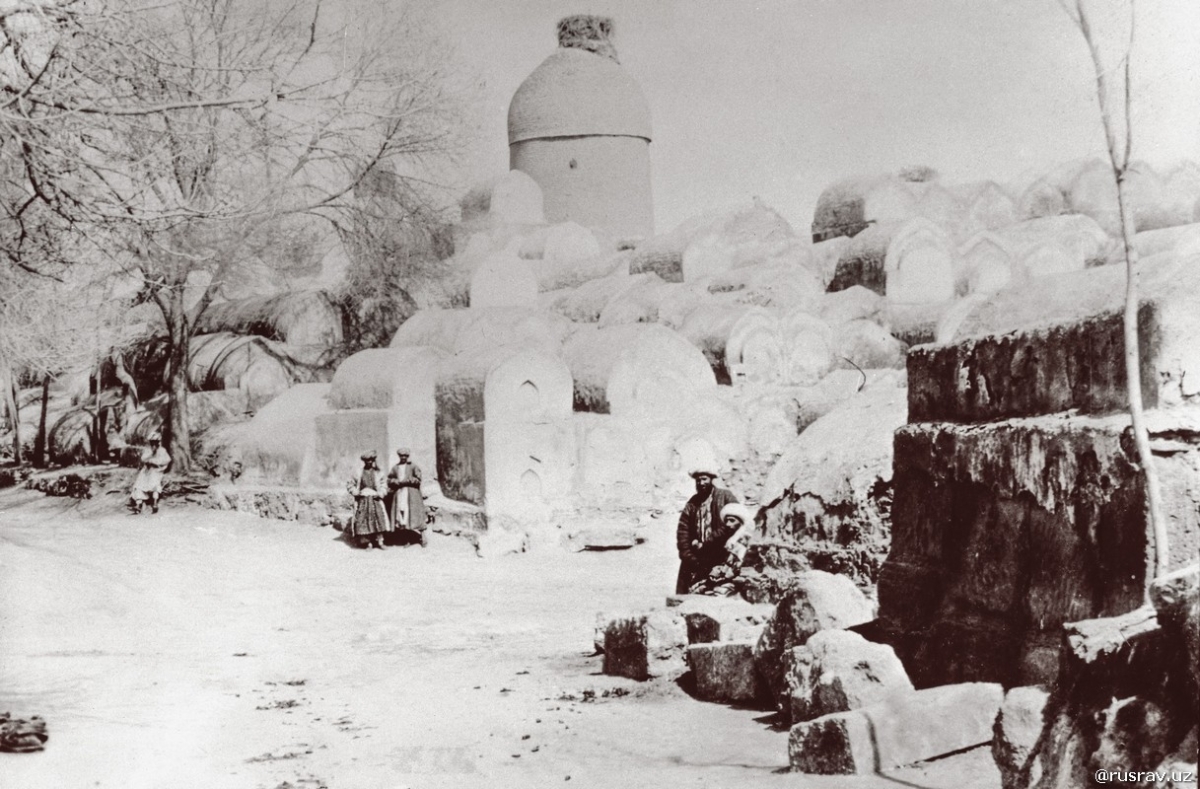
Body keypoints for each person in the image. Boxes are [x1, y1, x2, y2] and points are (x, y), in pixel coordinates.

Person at [675, 467, 740, 594]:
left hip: (720, 554)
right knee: (689, 593)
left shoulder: (725, 496)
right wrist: (688, 556)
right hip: (697, 557)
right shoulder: (692, 503)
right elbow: (683, 531)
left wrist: (709, 541)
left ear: (711, 479)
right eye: (698, 480)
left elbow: (735, 521)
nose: (701, 483)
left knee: (718, 591)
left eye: (704, 479)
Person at [687, 502, 757, 596]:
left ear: (740, 523)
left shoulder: (741, 541)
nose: (728, 524)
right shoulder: (729, 538)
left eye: (732, 521)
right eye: (727, 521)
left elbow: (735, 566)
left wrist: (720, 573)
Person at [348, 451, 392, 550]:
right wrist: (356, 492)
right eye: (367, 460)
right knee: (363, 520)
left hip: (375, 500)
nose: (369, 462)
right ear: (364, 461)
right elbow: (350, 484)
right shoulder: (358, 472)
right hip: (363, 500)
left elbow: (384, 485)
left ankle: (380, 541)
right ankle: (368, 543)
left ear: (373, 460)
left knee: (379, 519)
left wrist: (380, 493)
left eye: (371, 460)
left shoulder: (378, 473)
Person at [385, 447, 428, 547]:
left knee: (415, 514)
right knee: (403, 516)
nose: (403, 457)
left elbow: (418, 479)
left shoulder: (413, 467)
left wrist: (407, 480)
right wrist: (396, 482)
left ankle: (423, 537)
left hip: (412, 495)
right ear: (399, 456)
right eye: (401, 456)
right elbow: (389, 479)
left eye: (405, 456)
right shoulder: (395, 468)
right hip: (399, 494)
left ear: (408, 456)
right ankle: (407, 539)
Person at [129, 432, 170, 514]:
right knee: (139, 484)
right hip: (146, 471)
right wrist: (150, 456)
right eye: (151, 442)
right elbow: (143, 459)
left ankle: (155, 504)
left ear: (158, 442)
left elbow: (166, 460)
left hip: (156, 470)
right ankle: (139, 504)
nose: (153, 443)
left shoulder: (162, 450)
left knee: (154, 484)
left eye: (155, 441)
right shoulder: (148, 450)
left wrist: (155, 462)